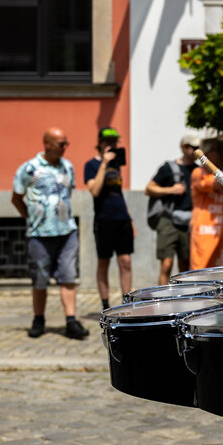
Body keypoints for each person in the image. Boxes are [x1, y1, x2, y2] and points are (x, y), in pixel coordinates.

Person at [12, 129, 89, 339]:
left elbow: (68, 193)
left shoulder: (68, 166)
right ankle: (39, 320)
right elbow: (16, 197)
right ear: (47, 144)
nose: (65, 148)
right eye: (61, 144)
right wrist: (29, 217)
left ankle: (71, 321)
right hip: (39, 233)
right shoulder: (29, 168)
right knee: (40, 279)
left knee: (69, 277)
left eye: (66, 143)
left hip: (67, 232)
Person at [84, 127, 134, 309]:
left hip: (122, 218)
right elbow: (95, 191)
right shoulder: (91, 165)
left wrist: (129, 218)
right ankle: (105, 303)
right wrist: (104, 164)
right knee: (104, 261)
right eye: (108, 142)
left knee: (125, 261)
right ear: (100, 144)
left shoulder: (117, 165)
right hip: (104, 220)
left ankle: (126, 302)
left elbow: (118, 193)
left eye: (115, 141)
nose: (112, 145)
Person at [146, 136, 200, 284]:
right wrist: (171, 190)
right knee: (166, 264)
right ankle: (163, 301)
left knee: (185, 266)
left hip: (189, 221)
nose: (197, 151)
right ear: (184, 147)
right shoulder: (168, 168)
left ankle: (183, 300)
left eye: (198, 148)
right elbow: (149, 189)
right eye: (193, 148)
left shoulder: (198, 170)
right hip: (168, 220)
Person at [191, 137, 223, 270]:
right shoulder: (199, 173)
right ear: (206, 153)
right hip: (205, 233)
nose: (222, 154)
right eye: (216, 150)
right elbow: (217, 184)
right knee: (201, 274)